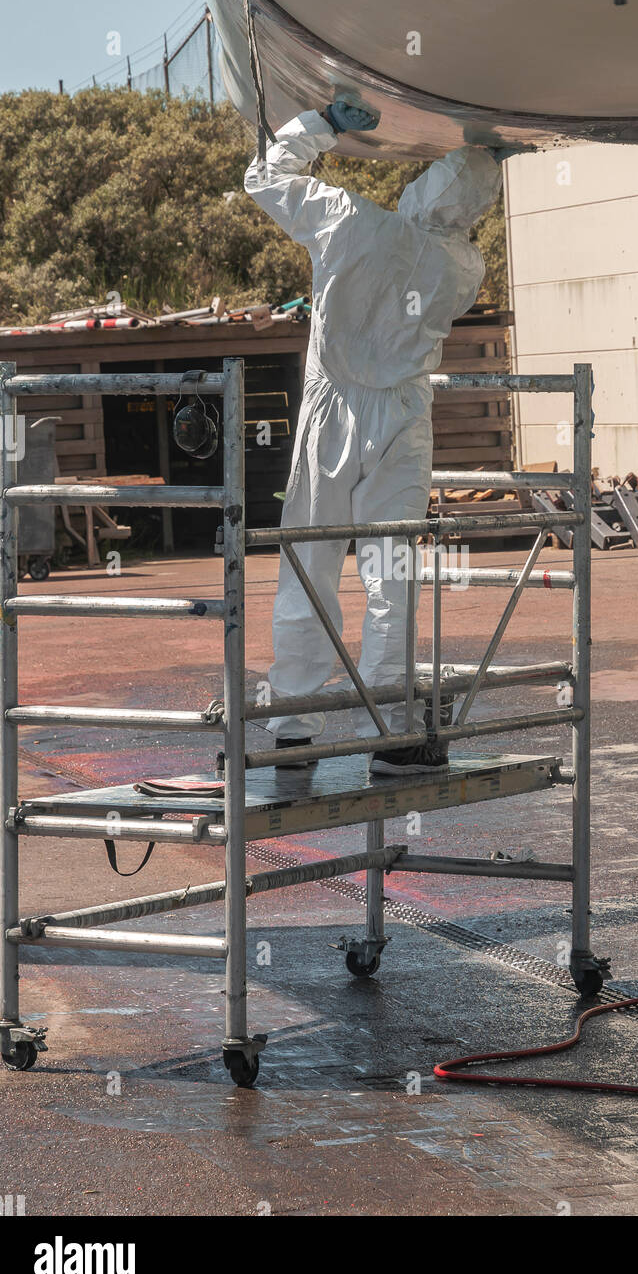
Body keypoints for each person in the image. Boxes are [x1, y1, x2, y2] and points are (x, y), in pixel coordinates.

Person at [244, 101, 503, 775]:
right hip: (403, 417)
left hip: (332, 406)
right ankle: (391, 731)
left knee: (311, 562)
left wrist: (322, 122)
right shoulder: (462, 268)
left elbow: (265, 180)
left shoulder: (348, 220)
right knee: (393, 577)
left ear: (417, 189)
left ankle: (292, 726)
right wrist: (490, 151)